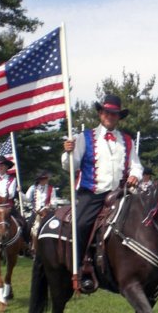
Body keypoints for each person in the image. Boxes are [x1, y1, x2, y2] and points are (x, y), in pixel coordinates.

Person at [62, 94, 143, 292]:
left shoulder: (127, 141)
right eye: (107, 112)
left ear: (118, 117)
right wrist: (68, 152)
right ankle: (81, 267)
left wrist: (134, 176)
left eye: (114, 113)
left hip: (120, 193)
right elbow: (69, 166)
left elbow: (136, 166)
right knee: (80, 224)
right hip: (92, 193)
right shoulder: (84, 138)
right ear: (100, 114)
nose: (110, 116)